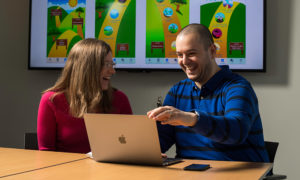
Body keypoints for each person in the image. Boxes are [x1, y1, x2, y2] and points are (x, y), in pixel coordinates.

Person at [147, 24, 269, 162]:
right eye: (180, 55)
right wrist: (147, 150)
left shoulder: (238, 87)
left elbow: (237, 132)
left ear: (212, 51)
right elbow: (160, 142)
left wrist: (192, 119)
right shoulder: (177, 92)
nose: (184, 61)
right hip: (188, 174)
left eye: (191, 54)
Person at [37, 38, 132, 153]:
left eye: (112, 64)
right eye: (107, 64)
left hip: (108, 170)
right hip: (65, 170)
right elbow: (46, 153)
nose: (112, 71)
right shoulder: (51, 100)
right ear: (87, 67)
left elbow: (129, 148)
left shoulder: (120, 99)